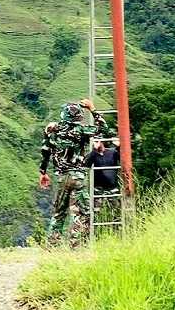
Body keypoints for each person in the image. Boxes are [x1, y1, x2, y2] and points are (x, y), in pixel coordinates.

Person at [39, 99, 110, 248]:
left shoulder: (53, 130)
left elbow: (45, 151)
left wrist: (43, 172)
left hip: (61, 177)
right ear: (79, 116)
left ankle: (52, 247)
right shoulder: (82, 131)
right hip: (77, 177)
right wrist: (93, 109)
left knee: (58, 214)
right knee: (82, 213)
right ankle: (76, 246)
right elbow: (104, 129)